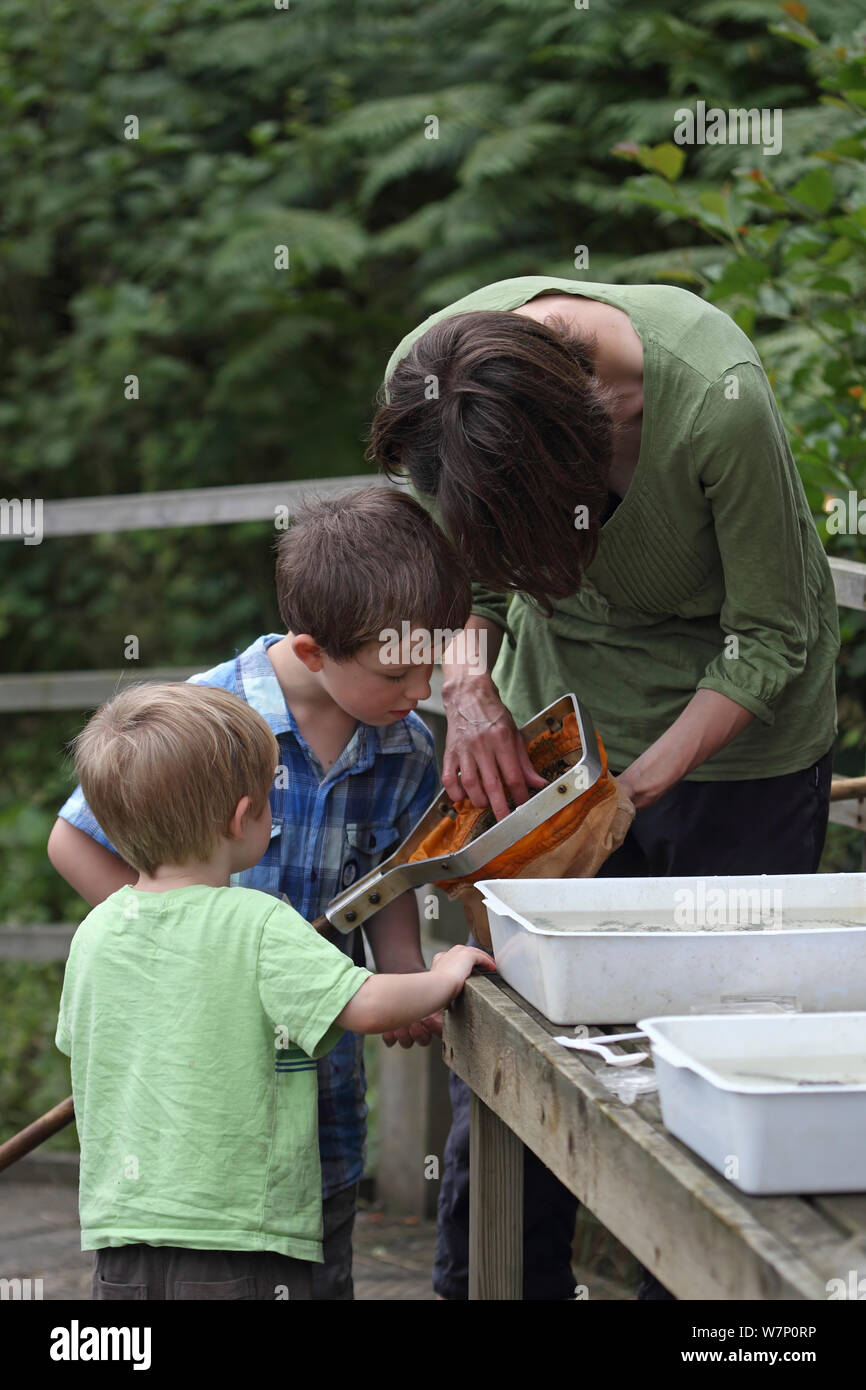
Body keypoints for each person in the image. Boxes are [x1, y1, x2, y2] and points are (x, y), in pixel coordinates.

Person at [370, 275, 840, 1300]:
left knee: (717, 1052)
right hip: (557, 730)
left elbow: (768, 637)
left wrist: (626, 791)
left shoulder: (715, 398)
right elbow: (463, 575)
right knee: (525, 1037)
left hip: (733, 751)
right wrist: (467, 683)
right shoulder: (432, 377)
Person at [48, 487, 475, 1300]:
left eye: (433, 661)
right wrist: (182, 948)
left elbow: (388, 875)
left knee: (315, 1234)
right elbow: (72, 840)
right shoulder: (206, 725)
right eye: (397, 671)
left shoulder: (406, 746)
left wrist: (400, 973)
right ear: (313, 652)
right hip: (205, 1079)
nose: (421, 688)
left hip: (318, 1058)